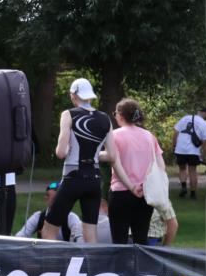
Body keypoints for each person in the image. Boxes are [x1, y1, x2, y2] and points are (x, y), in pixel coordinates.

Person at [43, 78, 127, 243]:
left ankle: (55, 267)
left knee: (48, 232)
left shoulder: (68, 115)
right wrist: (94, 156)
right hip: (94, 181)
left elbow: (60, 152)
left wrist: (70, 151)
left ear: (74, 95)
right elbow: (112, 156)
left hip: (73, 178)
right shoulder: (105, 119)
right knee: (90, 236)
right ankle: (92, 268)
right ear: (89, 96)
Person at [107, 98, 158, 245]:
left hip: (121, 192)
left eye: (115, 113)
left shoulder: (114, 135)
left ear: (120, 115)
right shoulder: (149, 136)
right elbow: (159, 165)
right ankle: (141, 268)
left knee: (119, 241)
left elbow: (115, 163)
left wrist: (130, 186)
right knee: (141, 240)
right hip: (145, 192)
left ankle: (119, 268)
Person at [16, 181, 82, 241]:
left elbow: (79, 240)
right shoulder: (38, 217)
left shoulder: (71, 218)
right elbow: (20, 237)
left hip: (66, 253)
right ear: (46, 198)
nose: (57, 203)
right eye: (54, 200)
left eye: (59, 199)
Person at [171, 105, 206, 199]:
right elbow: (205, 143)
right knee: (192, 171)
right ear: (205, 113)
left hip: (180, 149)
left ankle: (183, 187)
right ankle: (193, 193)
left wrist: (174, 146)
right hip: (193, 151)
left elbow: (176, 133)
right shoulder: (204, 124)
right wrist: (205, 155)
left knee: (182, 169)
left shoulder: (185, 118)